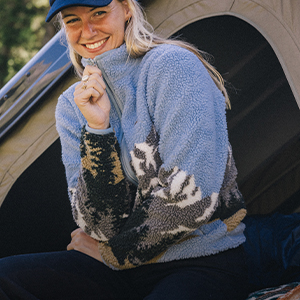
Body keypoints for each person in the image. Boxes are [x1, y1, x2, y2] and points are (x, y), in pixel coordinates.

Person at [0, 0, 252, 299]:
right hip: (119, 270)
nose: (88, 30)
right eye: (72, 21)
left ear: (127, 9)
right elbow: (98, 225)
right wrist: (98, 129)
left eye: (99, 13)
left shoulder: (173, 66)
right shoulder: (71, 105)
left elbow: (192, 196)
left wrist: (112, 255)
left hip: (200, 261)